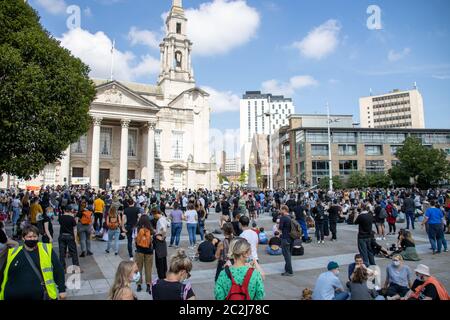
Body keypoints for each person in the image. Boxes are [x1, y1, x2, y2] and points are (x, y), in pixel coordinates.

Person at [0, 225, 66, 300]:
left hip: (39, 296)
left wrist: (62, 290)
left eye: (35, 236)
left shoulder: (46, 250)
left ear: (38, 237)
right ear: (23, 238)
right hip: (12, 295)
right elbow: (3, 274)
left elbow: (58, 269)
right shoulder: (13, 252)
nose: (32, 239)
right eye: (29, 237)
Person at [134, 214, 154, 294]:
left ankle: (138, 285)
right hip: (149, 251)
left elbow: (134, 239)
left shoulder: (137, 229)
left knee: (138, 268)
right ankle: (148, 285)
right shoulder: (151, 230)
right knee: (148, 269)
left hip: (139, 251)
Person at [58, 205, 80, 273]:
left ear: (64, 210)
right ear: (71, 210)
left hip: (62, 236)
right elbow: (75, 229)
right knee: (73, 253)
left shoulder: (60, 217)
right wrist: (76, 239)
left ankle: (62, 269)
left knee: (62, 253)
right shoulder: (71, 218)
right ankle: (76, 269)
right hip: (70, 236)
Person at [278, 205, 294, 277]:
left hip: (285, 238)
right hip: (292, 238)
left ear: (284, 210)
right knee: (289, 254)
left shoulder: (283, 218)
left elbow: (280, 228)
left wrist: (278, 224)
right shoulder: (291, 216)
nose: (280, 211)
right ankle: (287, 268)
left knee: (286, 255)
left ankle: (289, 271)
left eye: (281, 210)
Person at [153, 209, 168, 280]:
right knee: (163, 257)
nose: (153, 217)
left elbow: (163, 229)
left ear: (156, 214)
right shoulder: (163, 218)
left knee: (159, 258)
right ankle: (163, 272)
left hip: (159, 240)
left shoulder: (160, 220)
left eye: (153, 215)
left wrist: (161, 236)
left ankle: (161, 275)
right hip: (162, 240)